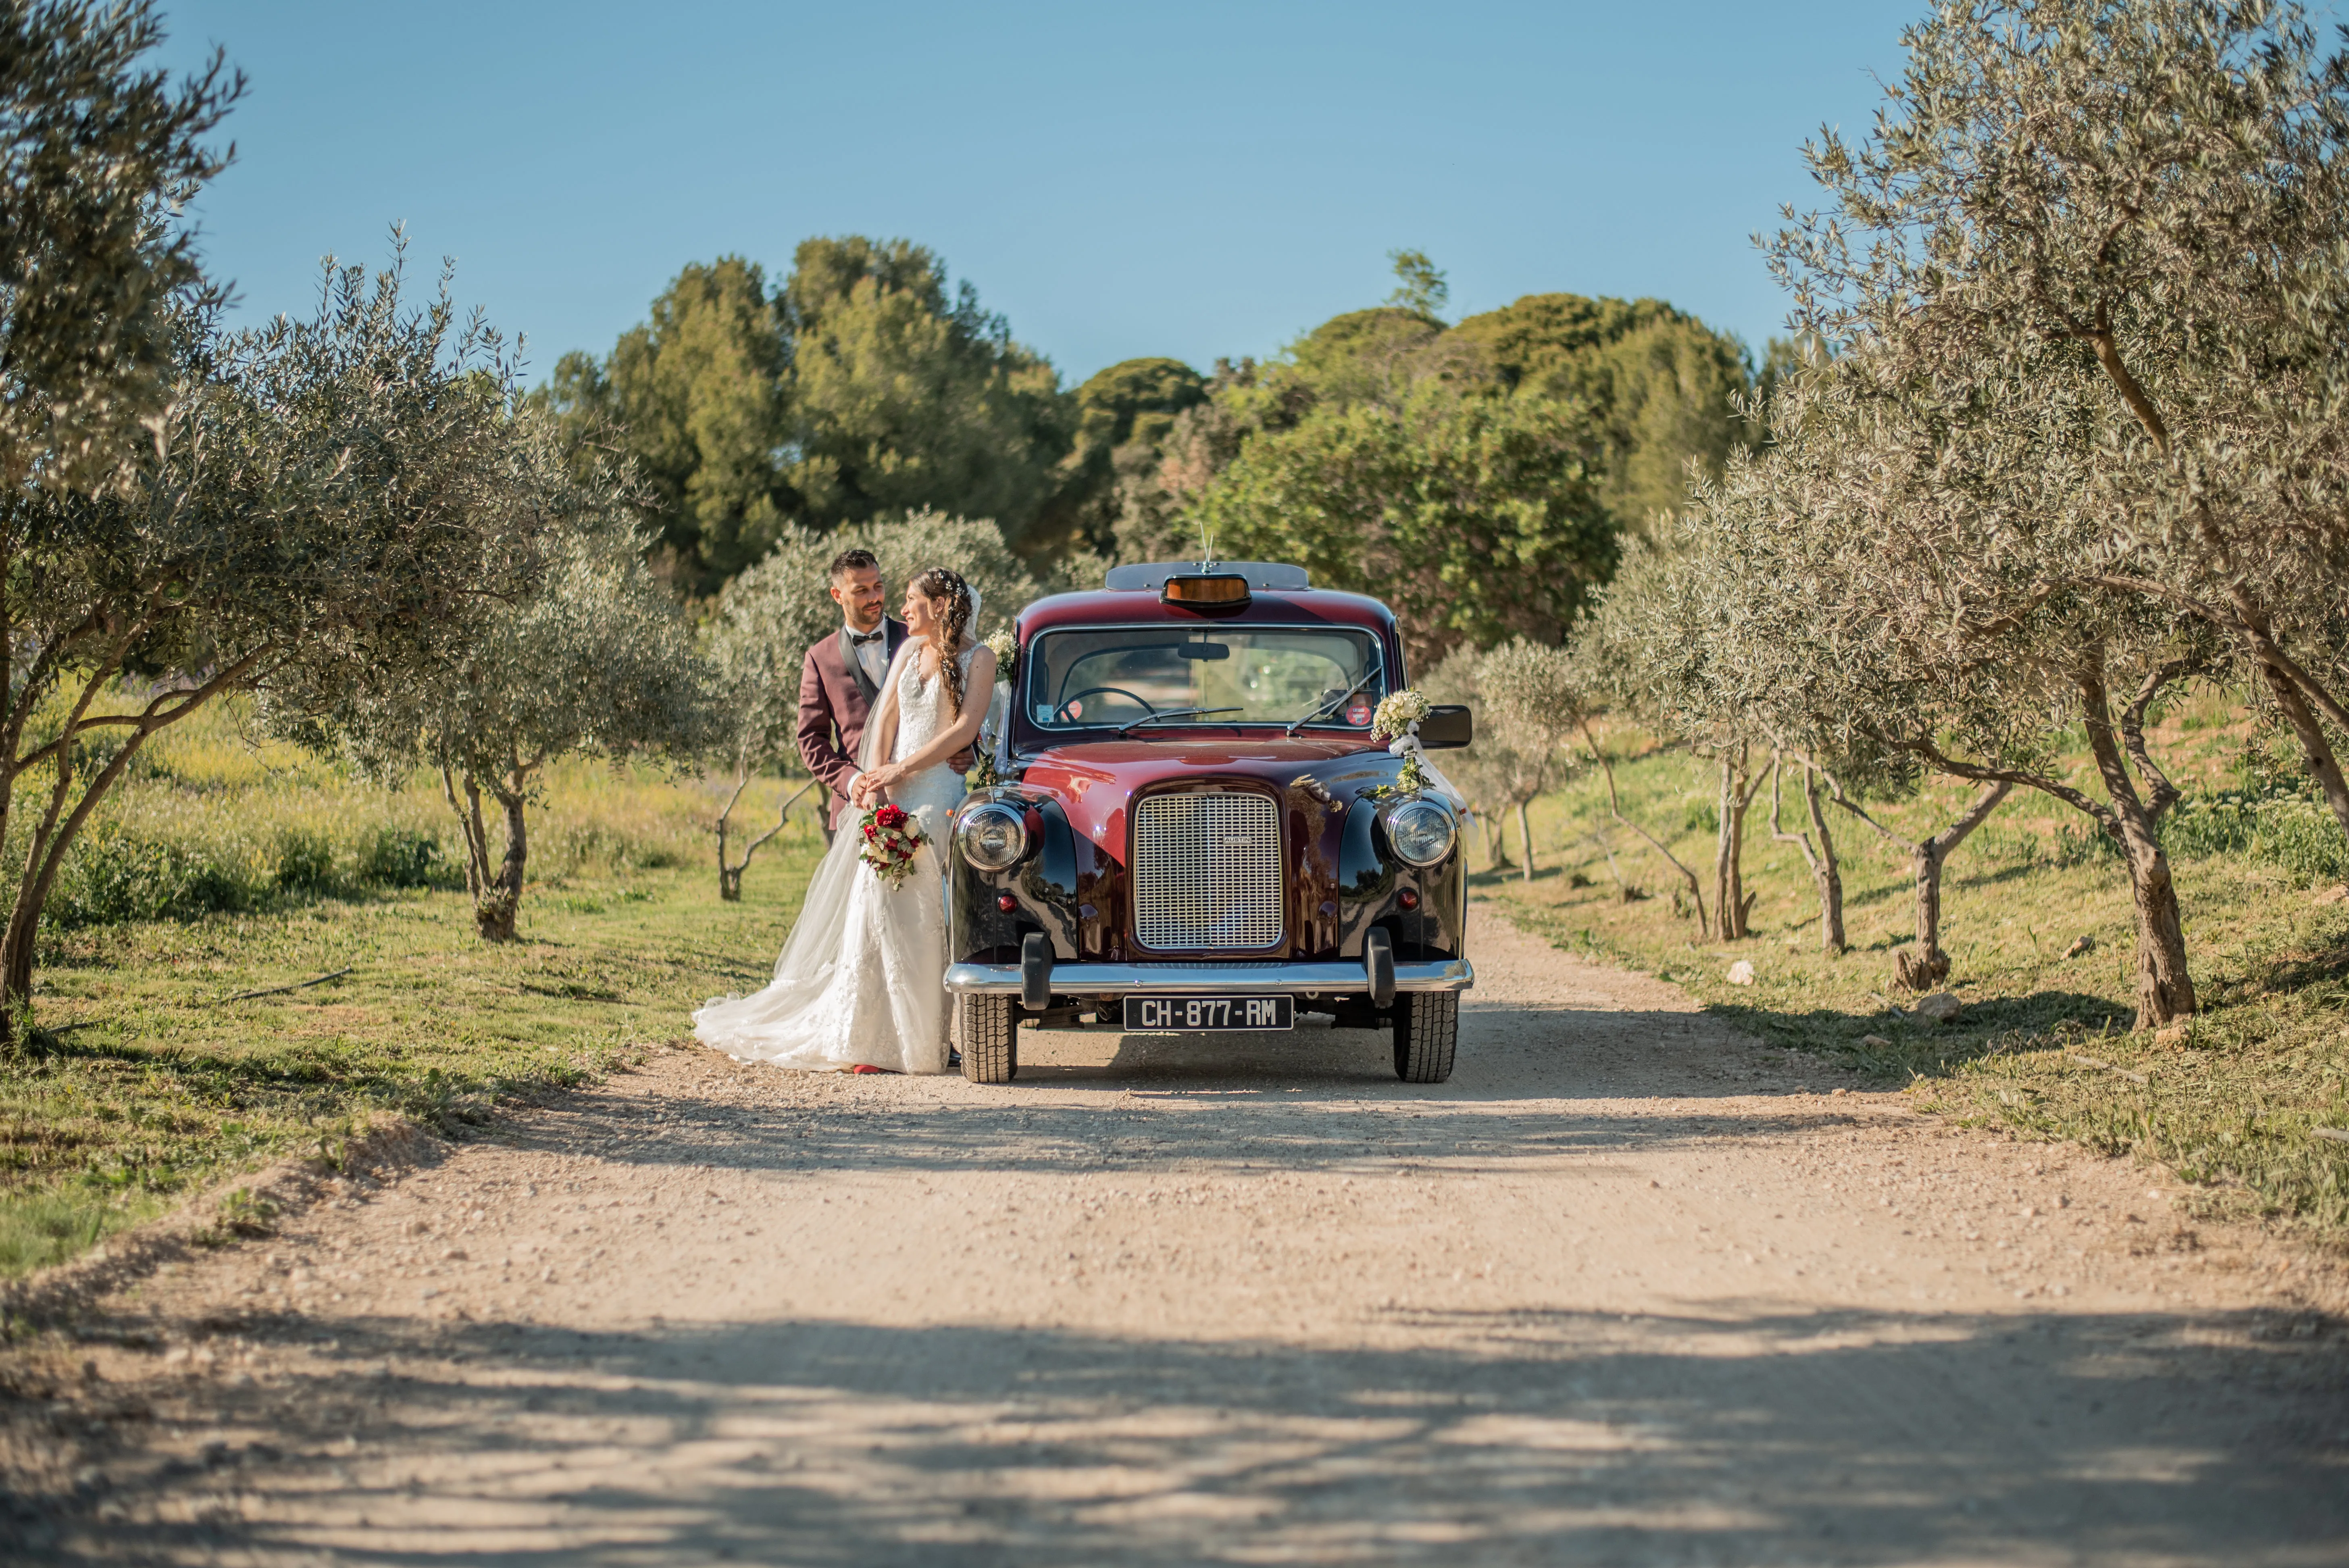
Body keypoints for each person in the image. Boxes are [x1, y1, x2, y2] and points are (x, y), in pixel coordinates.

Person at [693, 567, 997, 1073]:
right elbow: (886, 721)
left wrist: (906, 767)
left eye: (911, 599)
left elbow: (967, 726)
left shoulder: (980, 658)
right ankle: (865, 1040)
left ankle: (924, 1041)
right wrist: (878, 787)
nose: (901, 608)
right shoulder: (906, 650)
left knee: (926, 922)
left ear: (941, 605)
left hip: (938, 799)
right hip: (891, 799)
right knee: (873, 913)